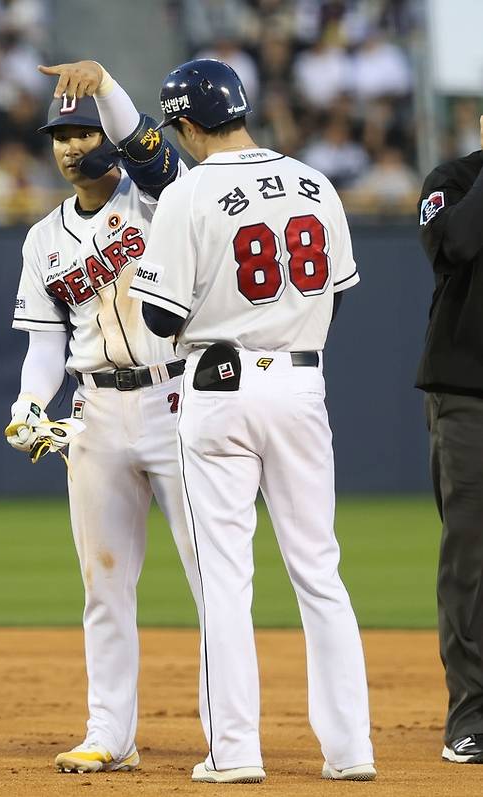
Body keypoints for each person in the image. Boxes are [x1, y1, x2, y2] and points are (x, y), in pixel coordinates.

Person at [129, 58, 376, 784]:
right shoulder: (314, 181)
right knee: (320, 571)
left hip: (221, 389)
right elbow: (340, 296)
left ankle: (236, 752)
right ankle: (350, 749)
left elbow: (160, 314)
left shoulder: (189, 190)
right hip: (301, 385)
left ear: (185, 124)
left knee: (226, 578)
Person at [4, 59, 201, 774]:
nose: (69, 146)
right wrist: (29, 403)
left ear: (109, 138)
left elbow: (151, 151)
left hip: (176, 397)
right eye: (60, 135)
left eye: (83, 132)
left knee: (211, 574)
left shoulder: (161, 200)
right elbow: (46, 342)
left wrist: (108, 90)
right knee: (103, 584)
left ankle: (229, 730)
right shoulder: (42, 240)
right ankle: (109, 733)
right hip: (95, 409)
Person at [415, 114, 483, 765]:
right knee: (471, 554)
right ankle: (471, 716)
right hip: (469, 395)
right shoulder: (453, 181)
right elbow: (455, 244)